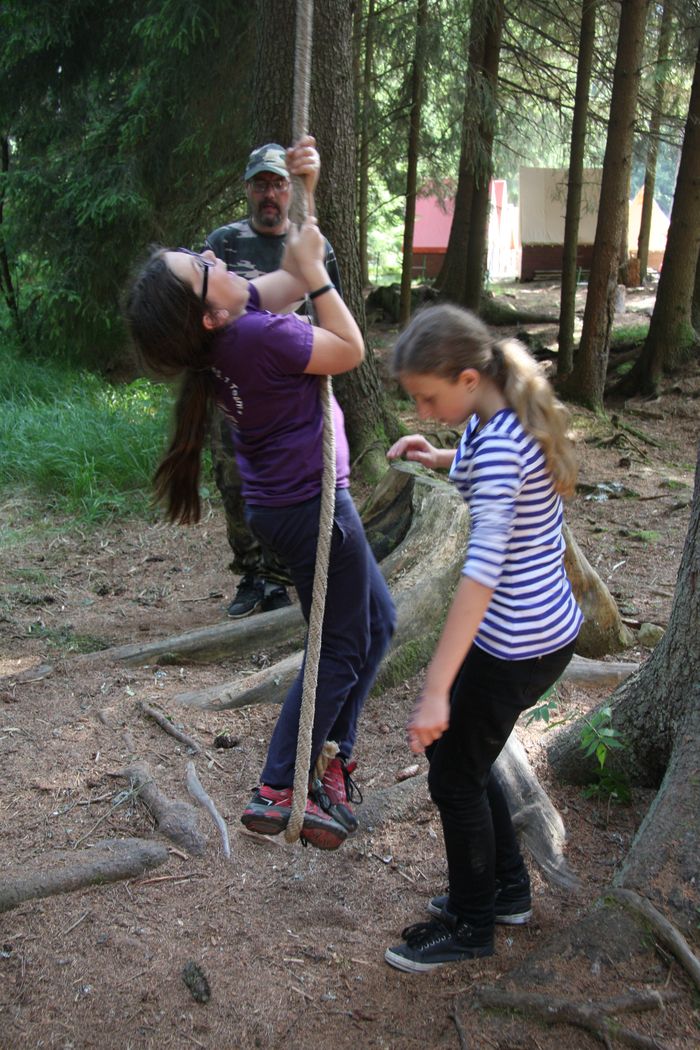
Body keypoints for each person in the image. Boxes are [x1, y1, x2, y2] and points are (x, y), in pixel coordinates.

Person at [125, 143, 395, 851]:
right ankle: (279, 784)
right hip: (313, 506)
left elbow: (287, 277)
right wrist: (320, 278)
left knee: (379, 623)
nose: (214, 256)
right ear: (208, 314)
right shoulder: (255, 338)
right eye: (202, 266)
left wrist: (306, 190)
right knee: (341, 644)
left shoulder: (229, 331)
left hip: (286, 506)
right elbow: (347, 348)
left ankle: (329, 760)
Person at [383, 304, 582, 972]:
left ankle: (472, 924)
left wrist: (436, 689)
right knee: (463, 760)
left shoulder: (499, 444)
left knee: (453, 777)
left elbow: (479, 577)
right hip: (533, 632)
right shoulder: (489, 414)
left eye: (427, 398)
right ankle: (506, 890)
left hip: (517, 645)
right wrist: (439, 455)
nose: (422, 410)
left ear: (467, 379)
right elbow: (487, 470)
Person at [205, 142, 342, 619]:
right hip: (236, 395)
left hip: (291, 393)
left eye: (279, 184)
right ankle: (250, 575)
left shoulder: (310, 246)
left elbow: (331, 311)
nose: (270, 194)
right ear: (248, 188)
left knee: (291, 482)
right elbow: (209, 314)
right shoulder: (224, 242)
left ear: (289, 190)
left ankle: (281, 579)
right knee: (235, 483)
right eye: (261, 184)